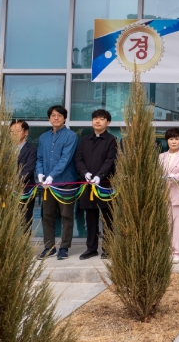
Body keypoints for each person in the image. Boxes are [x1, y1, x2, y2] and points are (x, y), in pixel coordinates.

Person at [36, 105, 79, 260]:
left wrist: (52, 176)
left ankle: (64, 247)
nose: (56, 118)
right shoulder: (43, 137)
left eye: (59, 115)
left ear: (64, 118)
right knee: (47, 215)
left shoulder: (71, 136)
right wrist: (40, 174)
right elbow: (39, 158)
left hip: (65, 183)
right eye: (53, 115)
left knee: (66, 215)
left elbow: (65, 159)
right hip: (47, 185)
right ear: (49, 118)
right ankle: (49, 247)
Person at [74, 110, 118, 260]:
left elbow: (110, 160)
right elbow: (78, 158)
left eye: (101, 119)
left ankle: (108, 248)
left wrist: (99, 176)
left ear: (108, 122)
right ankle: (91, 248)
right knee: (90, 218)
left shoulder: (112, 140)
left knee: (107, 218)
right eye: (95, 118)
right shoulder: (85, 139)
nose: (97, 121)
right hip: (87, 185)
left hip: (105, 185)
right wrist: (85, 172)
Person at [159, 128, 179, 264]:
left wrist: (175, 176)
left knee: (178, 225)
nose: (174, 141)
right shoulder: (161, 156)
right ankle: (167, 251)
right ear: (167, 140)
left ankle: (178, 253)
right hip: (164, 193)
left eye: (177, 139)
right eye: (171, 139)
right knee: (166, 224)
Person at [10, 119, 37, 230]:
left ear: (26, 132)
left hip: (25, 190)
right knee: (8, 222)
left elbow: (28, 169)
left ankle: (25, 241)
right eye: (11, 131)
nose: (14, 133)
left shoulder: (32, 150)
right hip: (6, 191)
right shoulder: (5, 149)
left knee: (25, 221)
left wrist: (13, 182)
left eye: (18, 130)